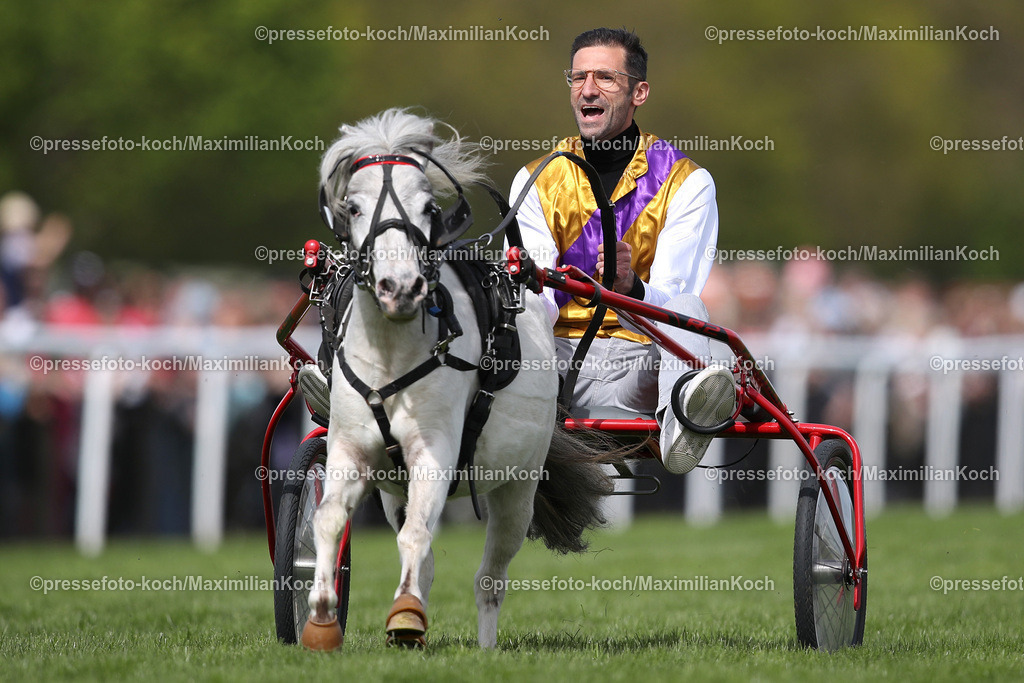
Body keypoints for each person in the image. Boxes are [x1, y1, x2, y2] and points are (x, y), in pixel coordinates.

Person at [510, 27, 736, 474]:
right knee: (503, 312)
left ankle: (683, 426)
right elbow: (533, 302)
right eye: (577, 78)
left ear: (639, 92)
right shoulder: (534, 179)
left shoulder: (687, 181)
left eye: (605, 78)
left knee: (693, 310)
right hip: (552, 364)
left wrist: (630, 287)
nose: (587, 90)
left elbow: (673, 301)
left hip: (640, 367)